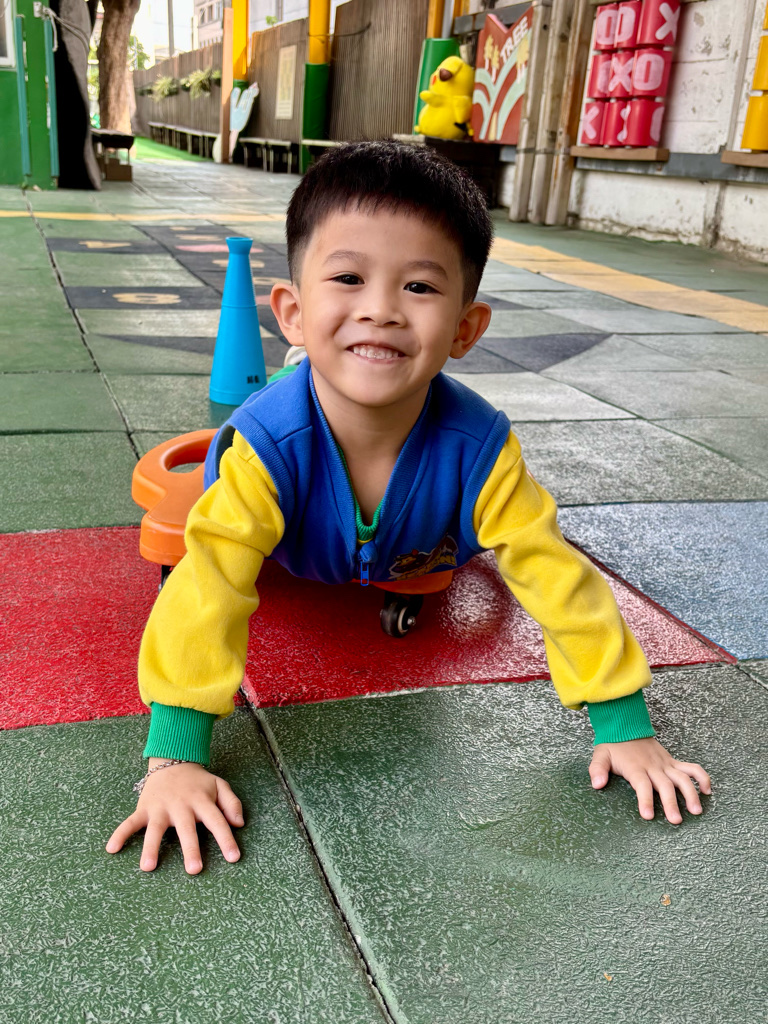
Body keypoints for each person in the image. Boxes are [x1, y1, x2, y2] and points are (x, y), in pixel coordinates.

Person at [106, 141, 711, 875]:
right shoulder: (266, 453)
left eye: (419, 287)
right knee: (220, 543)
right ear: (292, 311)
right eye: (348, 278)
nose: (381, 309)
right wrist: (174, 757)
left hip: (409, 542)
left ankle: (338, 379)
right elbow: (207, 588)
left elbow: (556, 574)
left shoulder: (480, 451)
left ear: (464, 329)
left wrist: (625, 725)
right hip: (296, 529)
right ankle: (308, 377)